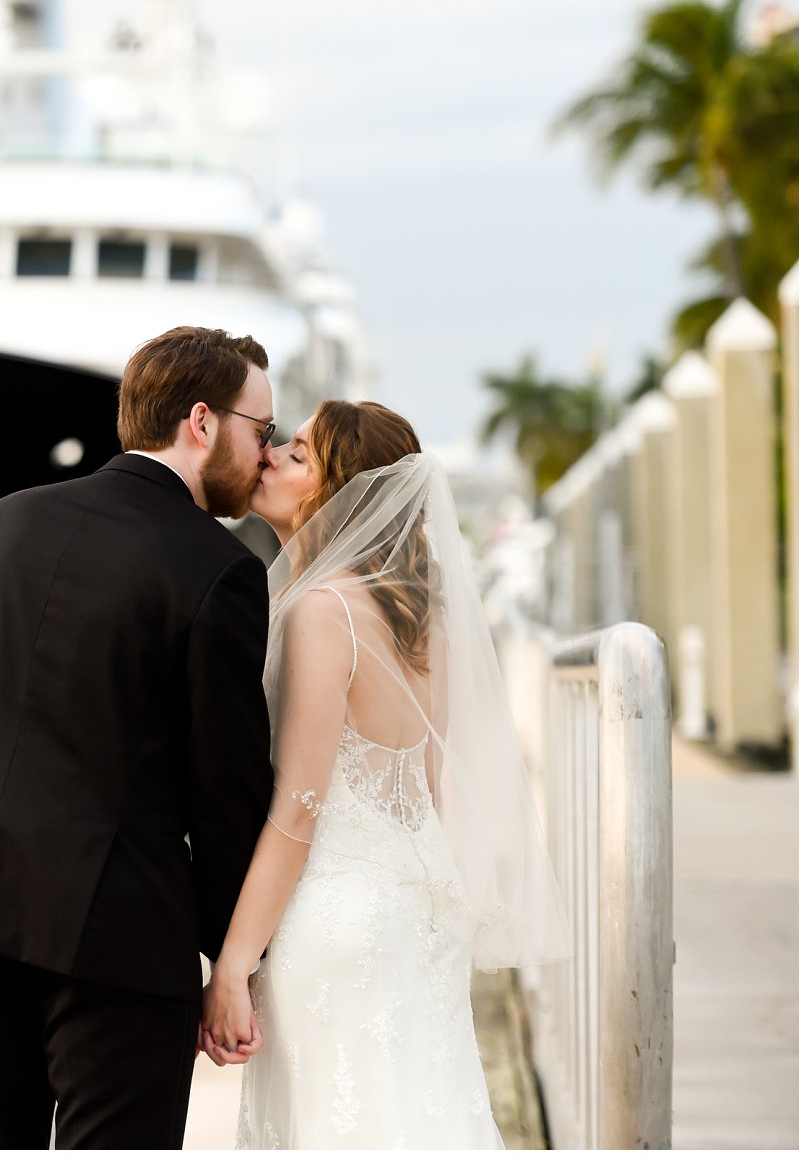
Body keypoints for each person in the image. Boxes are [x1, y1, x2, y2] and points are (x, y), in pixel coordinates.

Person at [0, 327, 277, 1148]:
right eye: (260, 429)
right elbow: (226, 787)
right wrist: (233, 958)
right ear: (202, 422)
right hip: (117, 940)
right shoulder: (219, 567)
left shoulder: (0, 522)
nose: (264, 450)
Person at [209, 400, 569, 1148]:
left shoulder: (321, 611)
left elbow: (300, 806)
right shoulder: (423, 615)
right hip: (424, 906)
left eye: (298, 455)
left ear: (343, 493)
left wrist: (234, 964)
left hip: (337, 919)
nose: (270, 456)